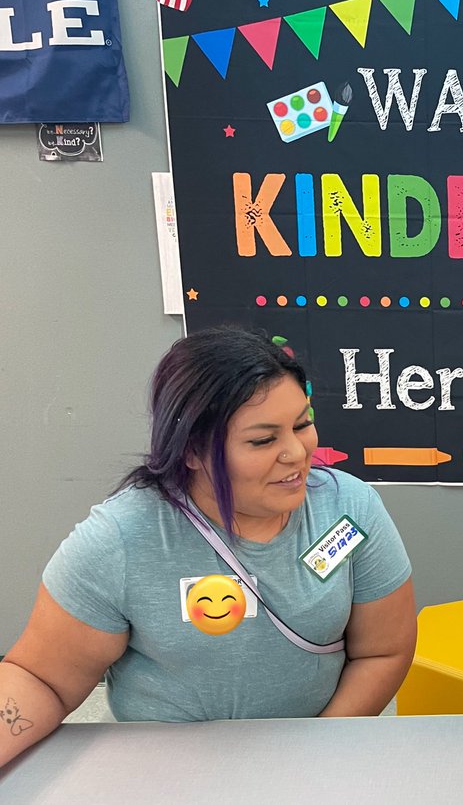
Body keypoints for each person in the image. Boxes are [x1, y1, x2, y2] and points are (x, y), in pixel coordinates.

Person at [0, 327, 416, 768]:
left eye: (303, 424)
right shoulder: (121, 539)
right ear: (192, 450)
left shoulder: (350, 508)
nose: (296, 453)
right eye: (262, 440)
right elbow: (40, 678)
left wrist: (314, 760)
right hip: (165, 768)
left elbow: (383, 652)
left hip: (312, 755)